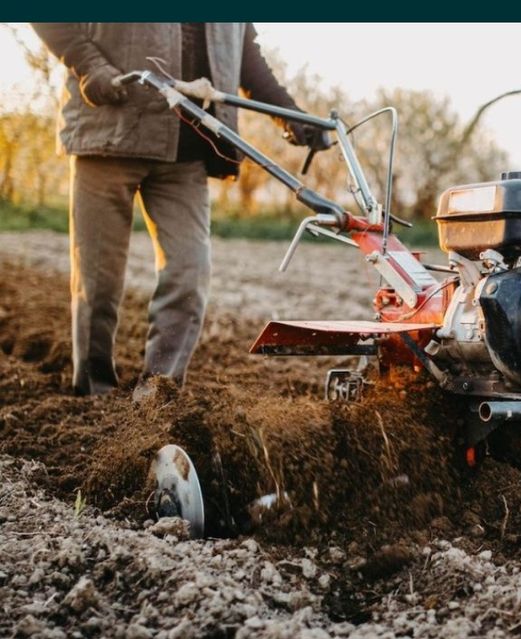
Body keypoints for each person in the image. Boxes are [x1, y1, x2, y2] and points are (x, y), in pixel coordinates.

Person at [31, 23, 330, 396]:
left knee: (190, 274)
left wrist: (290, 113)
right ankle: (95, 396)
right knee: (98, 283)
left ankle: (158, 394)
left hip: (187, 151)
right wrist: (90, 66)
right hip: (108, 133)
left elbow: (245, 55)